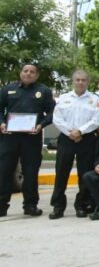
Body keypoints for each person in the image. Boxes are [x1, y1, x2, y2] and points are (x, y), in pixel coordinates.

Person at [0, 63, 56, 217]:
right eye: (25, 71)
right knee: (4, 172)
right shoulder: (7, 89)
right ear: (21, 73)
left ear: (37, 75)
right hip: (9, 138)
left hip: (31, 138)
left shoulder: (43, 91)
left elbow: (52, 112)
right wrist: (1, 123)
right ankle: (1, 206)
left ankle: (30, 206)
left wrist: (41, 125)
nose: (28, 74)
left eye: (32, 72)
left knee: (30, 173)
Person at [49, 70, 99, 219]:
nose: (80, 82)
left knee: (84, 173)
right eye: (77, 80)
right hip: (66, 139)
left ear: (88, 82)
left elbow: (96, 120)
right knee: (61, 173)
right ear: (73, 81)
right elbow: (57, 119)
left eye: (83, 80)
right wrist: (71, 133)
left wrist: (80, 131)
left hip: (86, 139)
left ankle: (81, 205)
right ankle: (58, 206)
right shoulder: (64, 98)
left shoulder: (95, 99)